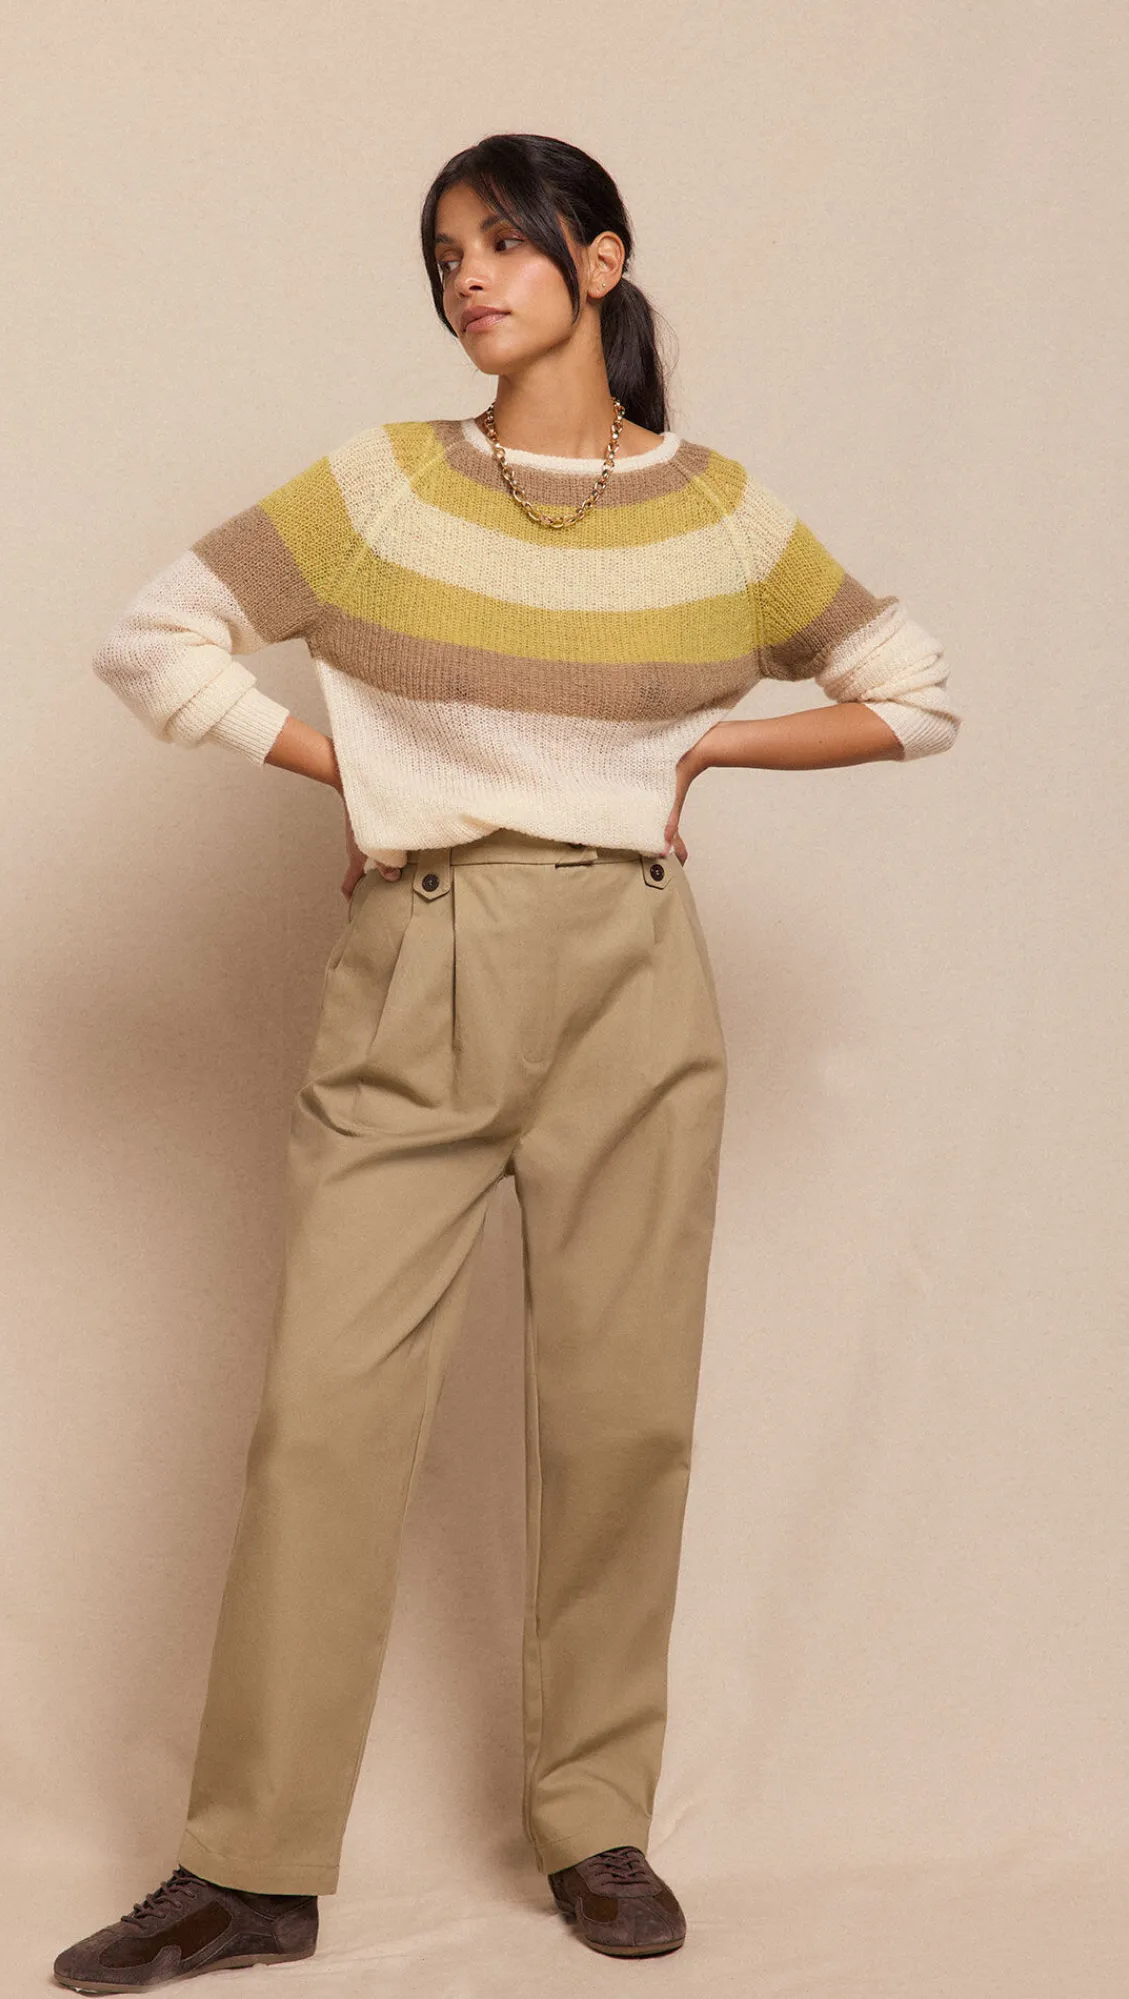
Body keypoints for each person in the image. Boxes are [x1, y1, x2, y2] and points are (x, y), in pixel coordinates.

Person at [53, 131, 960, 1989]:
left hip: (635, 965)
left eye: (503, 243)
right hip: (422, 951)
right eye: (444, 254)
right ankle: (250, 1869)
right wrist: (360, 775)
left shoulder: (721, 517)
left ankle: (595, 1825)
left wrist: (704, 753)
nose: (468, 276)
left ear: (599, 261)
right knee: (324, 1415)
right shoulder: (383, 486)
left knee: (623, 1418)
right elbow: (154, 638)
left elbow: (914, 690)